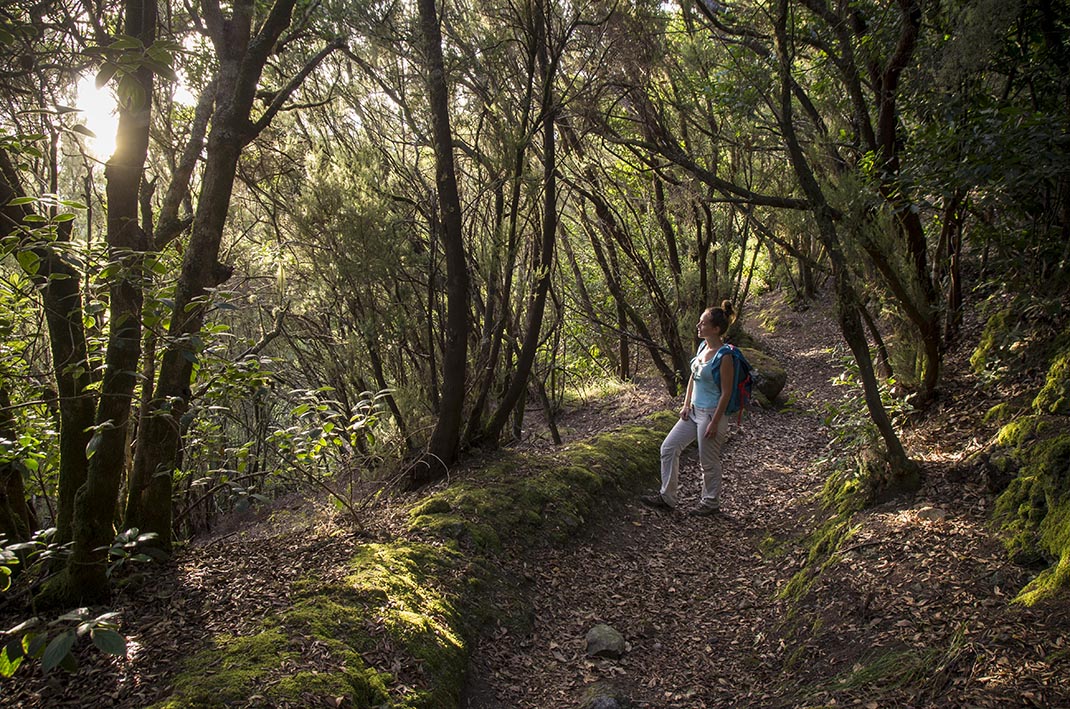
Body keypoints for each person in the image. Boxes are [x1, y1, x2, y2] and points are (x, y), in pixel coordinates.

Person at [641, 300, 737, 517]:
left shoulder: (725, 356)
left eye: (703, 323)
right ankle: (667, 497)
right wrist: (686, 405)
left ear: (716, 329)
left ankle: (711, 503)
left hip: (712, 415)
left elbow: (727, 392)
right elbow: (693, 378)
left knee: (708, 462)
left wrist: (714, 422)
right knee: (668, 448)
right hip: (693, 412)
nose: (698, 326)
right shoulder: (703, 347)